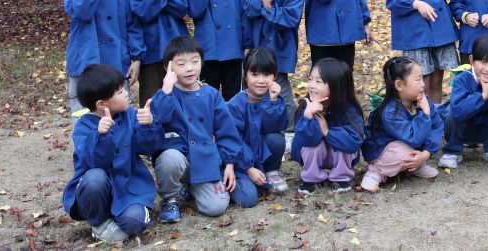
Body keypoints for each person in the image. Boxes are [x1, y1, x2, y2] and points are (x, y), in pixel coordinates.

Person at [150, 37, 247, 222]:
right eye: (181, 64)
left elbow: (227, 133)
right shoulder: (165, 95)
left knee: (216, 206)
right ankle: (170, 198)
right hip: (179, 158)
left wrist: (229, 163)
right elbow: (157, 122)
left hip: (205, 160)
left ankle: (190, 189)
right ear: (168, 68)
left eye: (195, 61)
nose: (189, 68)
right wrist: (166, 89)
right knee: (170, 158)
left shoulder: (211, 95)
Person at [62, 64, 163, 243]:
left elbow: (150, 148)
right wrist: (100, 136)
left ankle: (122, 218)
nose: (126, 92)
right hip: (98, 190)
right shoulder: (83, 126)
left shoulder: (131, 116)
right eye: (118, 92)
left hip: (129, 189)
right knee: (94, 178)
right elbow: (91, 162)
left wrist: (149, 125)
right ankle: (99, 222)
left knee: (135, 222)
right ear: (101, 104)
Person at [64, 0, 139, 114]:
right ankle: (86, 141)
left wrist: (137, 58)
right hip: (85, 61)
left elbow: (133, 28)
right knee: (83, 113)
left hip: (117, 62)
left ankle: (121, 141)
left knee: (119, 110)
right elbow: (81, 12)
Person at [360, 56, 443, 193]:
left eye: (422, 78)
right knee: (406, 153)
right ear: (399, 85)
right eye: (418, 80)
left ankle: (416, 165)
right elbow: (413, 137)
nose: (423, 84)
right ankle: (376, 172)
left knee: (416, 144)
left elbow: (436, 126)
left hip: (407, 146)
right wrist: (425, 114)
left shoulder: (422, 101)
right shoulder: (389, 111)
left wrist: (426, 155)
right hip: (383, 152)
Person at [245, 0, 304, 128]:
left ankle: (290, 126)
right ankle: (257, 123)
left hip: (280, 50)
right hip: (258, 48)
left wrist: (269, 6)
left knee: (280, 87)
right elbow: (249, 9)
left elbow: (289, 21)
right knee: (254, 85)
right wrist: (262, 2)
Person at [438, 35, 488, 169]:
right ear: (472, 60)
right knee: (451, 110)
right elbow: (458, 111)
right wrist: (483, 96)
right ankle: (452, 151)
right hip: (464, 129)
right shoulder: (462, 80)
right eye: (483, 62)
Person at [128, 0, 189, 105]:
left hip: (177, 52)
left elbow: (182, 9)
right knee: (152, 99)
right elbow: (144, 14)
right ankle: (152, 131)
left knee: (181, 96)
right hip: (151, 54)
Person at [292, 57, 365, 194]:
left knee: (343, 143)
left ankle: (341, 177)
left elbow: (353, 141)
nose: (311, 85)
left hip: (337, 154)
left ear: (337, 86)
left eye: (318, 81)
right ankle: (311, 178)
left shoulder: (349, 110)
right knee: (311, 147)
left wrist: (327, 131)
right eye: (310, 79)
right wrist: (308, 117)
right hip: (316, 155)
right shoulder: (306, 108)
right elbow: (304, 141)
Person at [187, 0, 247, 100]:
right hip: (208, 53)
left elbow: (244, 17)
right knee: (206, 96)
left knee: (234, 97)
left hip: (233, 51)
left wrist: (247, 44)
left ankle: (234, 126)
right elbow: (195, 12)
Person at [227, 47, 290, 200]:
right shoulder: (235, 104)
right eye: (255, 74)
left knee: (276, 138)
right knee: (248, 198)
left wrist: (273, 102)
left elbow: (276, 127)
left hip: (263, 151)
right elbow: (234, 140)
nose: (261, 80)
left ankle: (271, 172)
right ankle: (245, 176)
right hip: (242, 160)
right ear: (245, 75)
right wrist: (249, 168)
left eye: (267, 74)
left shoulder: (273, 99)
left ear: (274, 76)